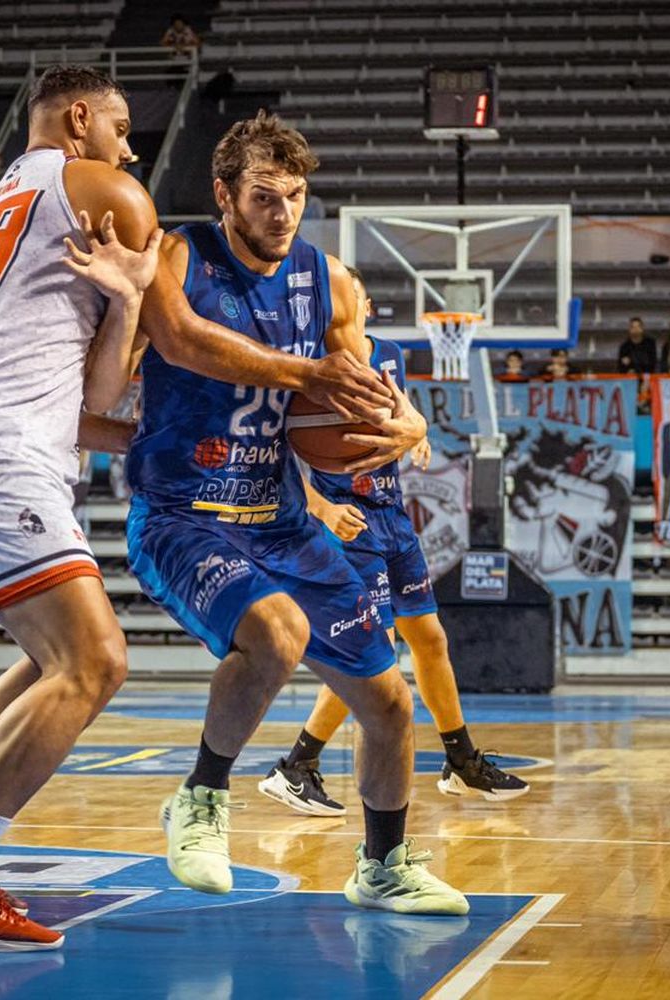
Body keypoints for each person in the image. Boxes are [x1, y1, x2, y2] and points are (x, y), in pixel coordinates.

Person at [0, 67, 395, 952]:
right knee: (96, 666)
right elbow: (182, 337)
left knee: (47, 665)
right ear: (79, 119)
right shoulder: (106, 192)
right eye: (121, 127)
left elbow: (102, 389)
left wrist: (123, 305)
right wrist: (307, 374)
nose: (131, 149)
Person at [124, 111, 465, 915]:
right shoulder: (178, 257)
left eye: (297, 197)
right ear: (224, 196)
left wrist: (408, 423)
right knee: (277, 636)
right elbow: (184, 347)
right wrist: (306, 375)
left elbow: (359, 389)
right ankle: (201, 799)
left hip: (277, 518)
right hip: (182, 513)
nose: (283, 214)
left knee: (388, 702)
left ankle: (382, 867)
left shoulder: (330, 282)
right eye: (265, 197)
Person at [260, 270, 527, 817]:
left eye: (347, 291)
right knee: (375, 652)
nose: (338, 300)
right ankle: (297, 766)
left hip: (392, 514)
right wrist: (321, 508)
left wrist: (420, 432)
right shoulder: (305, 368)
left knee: (428, 638)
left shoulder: (390, 356)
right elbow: (272, 452)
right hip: (347, 523)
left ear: (365, 303)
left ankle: (461, 762)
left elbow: (402, 416)